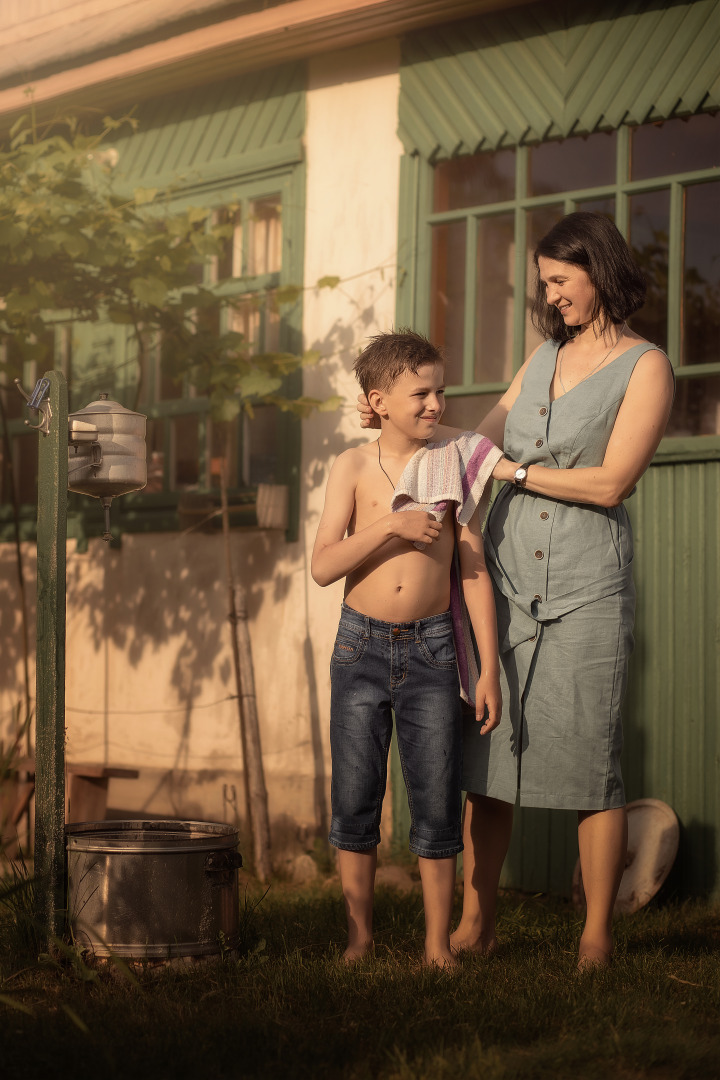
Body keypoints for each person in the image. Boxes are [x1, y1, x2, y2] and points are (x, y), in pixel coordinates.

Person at [357, 213, 675, 968]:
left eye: (560, 280)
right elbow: (479, 443)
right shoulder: (542, 357)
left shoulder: (647, 366)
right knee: (487, 756)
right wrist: (398, 455)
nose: (551, 295)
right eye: (545, 284)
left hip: (586, 583)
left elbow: (612, 482)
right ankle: (479, 919)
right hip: (503, 575)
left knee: (592, 756)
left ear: (599, 271)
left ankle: (595, 933)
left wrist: (517, 474)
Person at [312, 330, 503, 967]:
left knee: (435, 794)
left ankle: (435, 946)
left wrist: (488, 668)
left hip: (433, 649)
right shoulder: (354, 467)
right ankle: (359, 939)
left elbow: (472, 570)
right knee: (357, 795)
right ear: (379, 400)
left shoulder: (451, 462)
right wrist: (392, 523)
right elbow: (322, 566)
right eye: (420, 392)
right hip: (359, 648)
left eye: (440, 391)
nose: (435, 404)